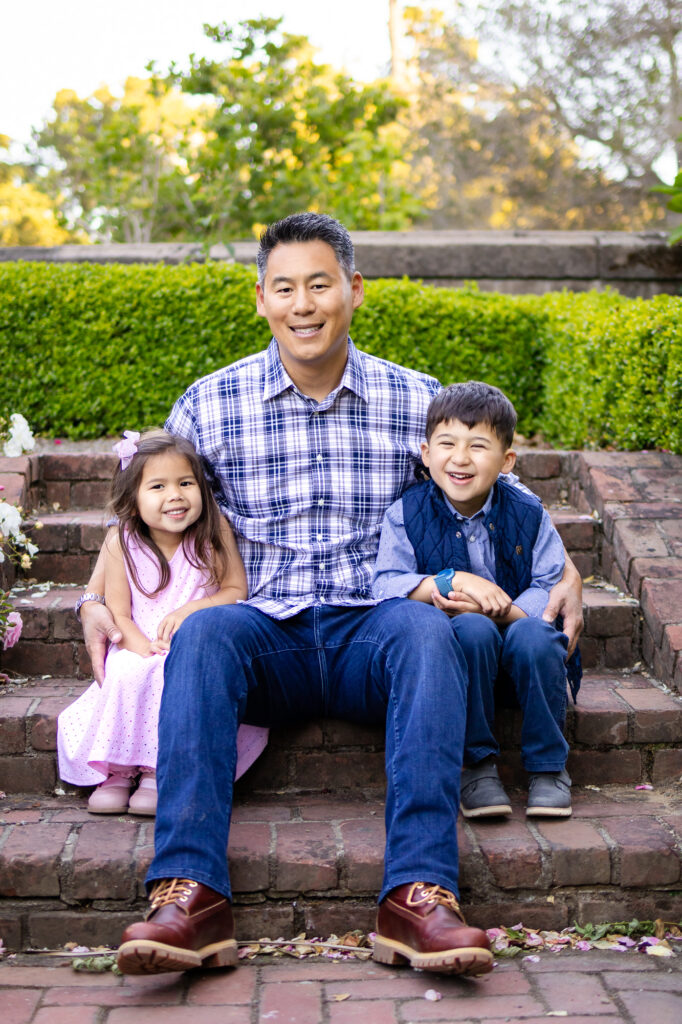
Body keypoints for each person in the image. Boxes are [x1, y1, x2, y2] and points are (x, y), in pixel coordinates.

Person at [78, 212, 583, 978]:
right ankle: (190, 896)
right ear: (260, 298)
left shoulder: (414, 399)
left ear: (354, 288)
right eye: (285, 288)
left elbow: (499, 492)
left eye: (320, 284)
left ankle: (420, 894)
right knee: (203, 637)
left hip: (369, 630)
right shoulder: (210, 405)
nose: (303, 304)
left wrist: (566, 570)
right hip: (259, 630)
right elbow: (143, 510)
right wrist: (93, 594)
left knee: (425, 631)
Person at [373, 381, 580, 821]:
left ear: (506, 461)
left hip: (526, 654)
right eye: (447, 444)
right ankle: (478, 765)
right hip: (465, 660)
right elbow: (387, 582)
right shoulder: (406, 513)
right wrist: (445, 582)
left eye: (478, 446)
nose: (461, 458)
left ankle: (548, 766)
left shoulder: (527, 511)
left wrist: (508, 610)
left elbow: (551, 579)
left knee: (534, 636)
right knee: (470, 628)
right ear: (427, 454)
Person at [58, 430, 267, 815]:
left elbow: (236, 588)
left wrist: (192, 609)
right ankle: (117, 771)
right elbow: (119, 613)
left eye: (186, 483)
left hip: (194, 643)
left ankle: (157, 772)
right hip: (138, 641)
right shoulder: (121, 542)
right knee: (126, 672)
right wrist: (141, 647)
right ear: (133, 502)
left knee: (173, 674)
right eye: (158, 486)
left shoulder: (212, 531)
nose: (175, 495)